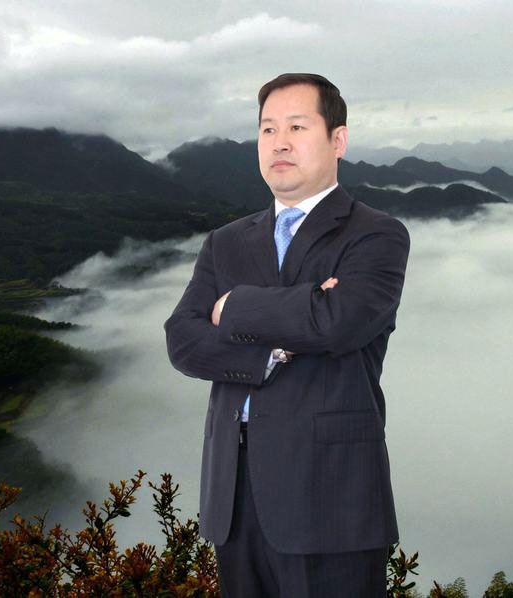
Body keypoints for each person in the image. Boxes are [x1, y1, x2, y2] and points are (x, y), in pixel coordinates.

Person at [164, 73, 411, 597]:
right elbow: (182, 340)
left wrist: (233, 307)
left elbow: (338, 322)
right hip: (233, 495)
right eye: (268, 129)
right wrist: (274, 348)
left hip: (331, 496)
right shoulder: (225, 242)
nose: (279, 142)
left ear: (338, 140)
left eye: (297, 127)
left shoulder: (376, 233)